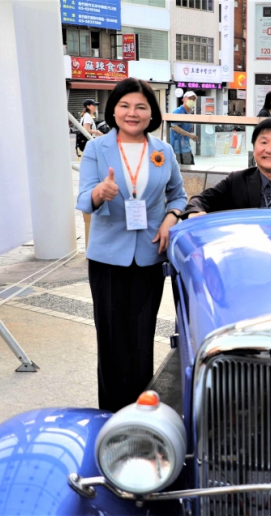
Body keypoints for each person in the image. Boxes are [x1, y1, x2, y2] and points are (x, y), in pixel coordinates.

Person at [76, 78, 188, 413]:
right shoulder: (98, 148)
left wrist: (172, 217)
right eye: (124, 105)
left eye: (141, 106)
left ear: (151, 112)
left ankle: (141, 417)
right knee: (111, 341)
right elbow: (83, 197)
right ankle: (111, 414)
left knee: (142, 339)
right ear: (113, 109)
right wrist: (100, 193)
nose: (132, 113)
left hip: (149, 257)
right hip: (108, 258)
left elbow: (178, 194)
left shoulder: (162, 151)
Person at [181, 117, 271, 217]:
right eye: (263, 142)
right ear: (254, 148)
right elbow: (198, 201)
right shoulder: (236, 181)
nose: (270, 150)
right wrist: (195, 213)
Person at [170, 91, 199, 165]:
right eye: (190, 98)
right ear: (183, 99)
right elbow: (174, 127)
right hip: (177, 149)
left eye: (193, 99)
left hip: (186, 147)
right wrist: (190, 135)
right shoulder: (178, 111)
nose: (192, 101)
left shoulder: (189, 112)